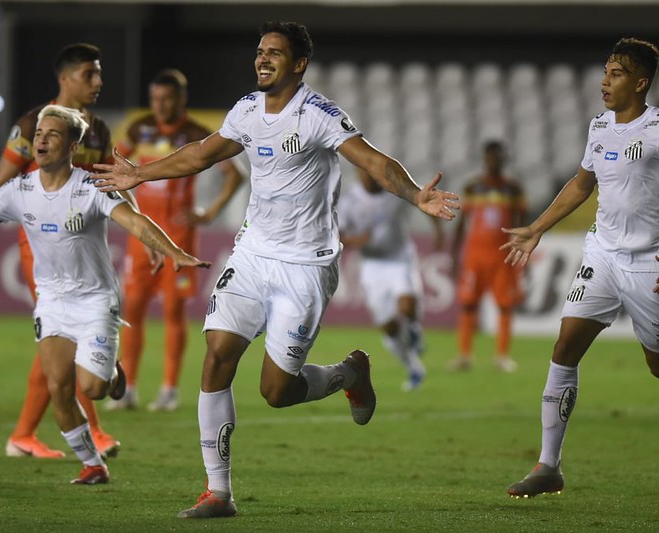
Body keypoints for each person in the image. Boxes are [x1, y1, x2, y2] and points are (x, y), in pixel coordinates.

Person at [94, 21, 459, 518]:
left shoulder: (318, 115)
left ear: (299, 64)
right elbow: (202, 154)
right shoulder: (246, 109)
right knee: (217, 354)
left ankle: (350, 372)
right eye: (260, 51)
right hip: (251, 256)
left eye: (275, 53)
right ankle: (218, 493)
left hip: (305, 266)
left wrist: (416, 194)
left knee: (276, 392)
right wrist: (140, 172)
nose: (262, 59)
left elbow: (373, 162)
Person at [0, 105, 210, 484]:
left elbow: (134, 220)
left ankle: (114, 374)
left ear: (73, 146)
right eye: (39, 133)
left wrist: (174, 253)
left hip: (95, 301)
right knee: (58, 388)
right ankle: (92, 465)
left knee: (93, 388)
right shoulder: (20, 190)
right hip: (52, 301)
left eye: (52, 134)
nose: (41, 139)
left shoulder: (88, 187)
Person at [503, 38, 659, 498]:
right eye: (605, 71)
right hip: (603, 255)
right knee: (566, 344)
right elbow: (581, 183)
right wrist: (537, 228)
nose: (605, 81)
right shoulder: (599, 126)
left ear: (641, 82)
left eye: (616, 73)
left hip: (649, 261)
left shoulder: (657, 130)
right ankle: (548, 465)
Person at [0, 43, 120, 458]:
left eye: (99, 74)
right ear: (65, 79)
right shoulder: (33, 124)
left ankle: (27, 435)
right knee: (59, 335)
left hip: (83, 247)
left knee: (59, 340)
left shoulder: (96, 130)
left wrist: (145, 234)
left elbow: (111, 185)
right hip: (40, 248)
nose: (98, 82)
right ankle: (81, 431)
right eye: (89, 74)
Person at [106, 69, 245, 412]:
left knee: (172, 310)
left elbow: (234, 175)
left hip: (180, 234)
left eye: (168, 99)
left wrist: (208, 213)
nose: (161, 105)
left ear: (182, 100)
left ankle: (168, 389)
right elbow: (114, 162)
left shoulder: (196, 133)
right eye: (155, 99)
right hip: (143, 233)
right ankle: (129, 387)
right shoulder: (139, 129)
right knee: (133, 308)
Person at [338, 167, 444, 392]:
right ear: (359, 175)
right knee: (389, 327)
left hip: (400, 259)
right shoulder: (350, 202)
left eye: (372, 172)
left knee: (406, 305)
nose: (369, 176)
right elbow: (338, 236)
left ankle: (414, 330)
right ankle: (413, 366)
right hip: (372, 267)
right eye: (365, 172)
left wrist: (439, 231)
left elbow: (422, 202)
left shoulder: (393, 193)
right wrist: (358, 241)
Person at [449, 141, 526, 373]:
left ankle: (502, 356)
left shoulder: (513, 189)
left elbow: (520, 224)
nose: (494, 161)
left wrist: (520, 253)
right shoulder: (473, 187)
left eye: (498, 157)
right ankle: (464, 355)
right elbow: (462, 222)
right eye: (490, 157)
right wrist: (454, 255)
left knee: (505, 305)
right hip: (475, 255)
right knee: (468, 303)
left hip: (502, 256)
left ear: (504, 159)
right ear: (485, 158)